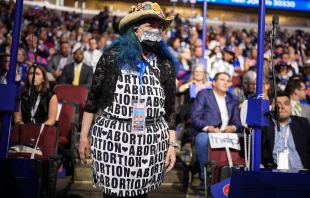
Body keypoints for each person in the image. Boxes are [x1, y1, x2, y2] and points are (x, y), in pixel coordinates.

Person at [78, 2, 177, 197]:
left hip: (151, 141)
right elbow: (92, 100)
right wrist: (83, 137)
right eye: (150, 26)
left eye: (159, 27)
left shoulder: (165, 63)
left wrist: (171, 145)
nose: (156, 31)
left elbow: (171, 110)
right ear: (135, 29)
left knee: (141, 194)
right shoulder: (113, 56)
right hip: (113, 138)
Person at [190, 72, 242, 189]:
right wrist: (208, 128)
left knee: (244, 139)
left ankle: (234, 177)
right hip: (209, 132)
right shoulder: (204, 94)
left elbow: (237, 121)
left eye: (228, 81)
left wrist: (232, 127)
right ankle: (206, 178)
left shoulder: (233, 98)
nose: (226, 83)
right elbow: (195, 117)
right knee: (202, 139)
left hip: (227, 134)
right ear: (214, 82)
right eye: (222, 80)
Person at [261, 91, 310, 170]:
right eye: (278, 104)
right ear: (270, 107)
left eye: (286, 103)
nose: (283, 107)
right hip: (276, 174)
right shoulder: (264, 126)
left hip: (302, 172)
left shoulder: (302, 123)